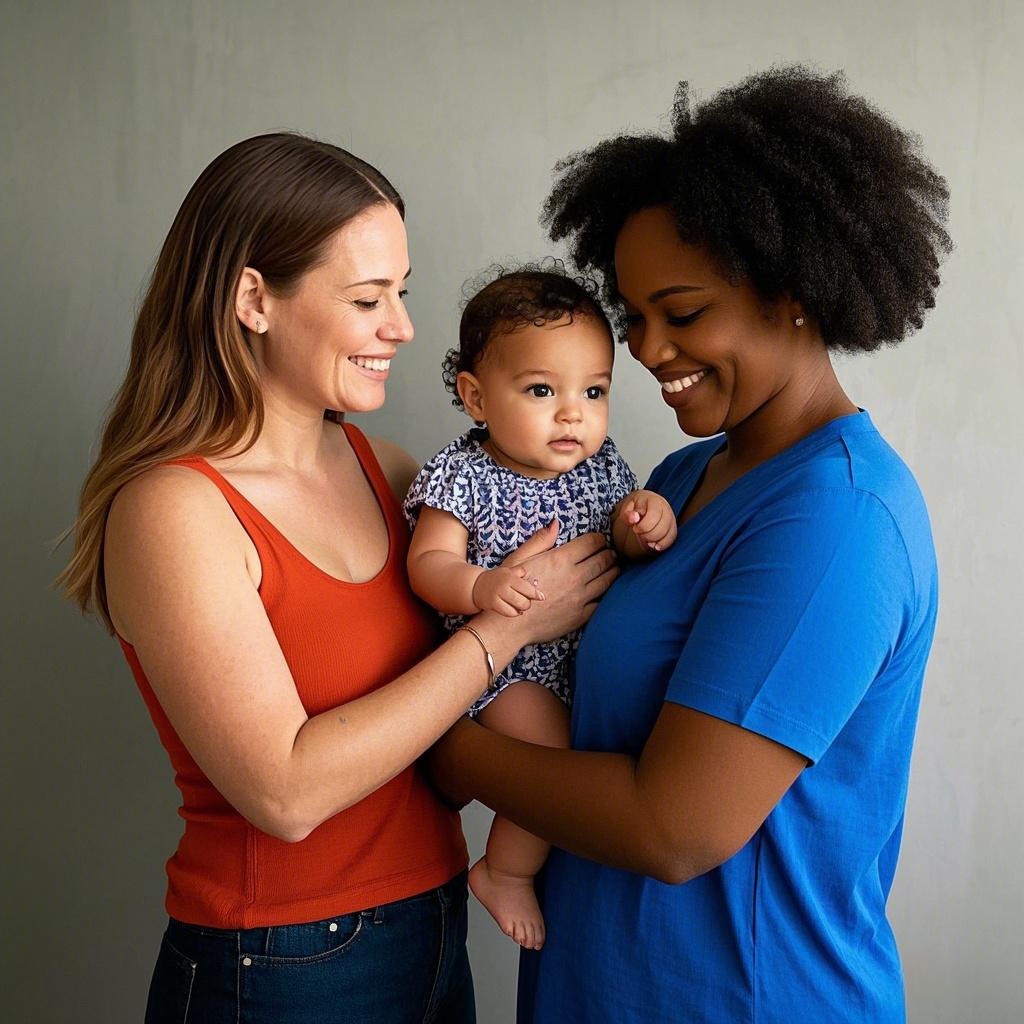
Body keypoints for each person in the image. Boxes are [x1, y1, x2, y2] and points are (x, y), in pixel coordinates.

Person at [426, 67, 950, 1023]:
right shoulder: (677, 483)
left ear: (793, 290)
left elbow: (676, 829)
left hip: (746, 998)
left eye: (683, 311)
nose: (647, 349)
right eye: (633, 317)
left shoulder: (837, 522)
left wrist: (449, 752)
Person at [57, 133, 617, 1024]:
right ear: (254, 299)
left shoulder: (391, 473)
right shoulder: (174, 510)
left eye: (401, 292)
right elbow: (286, 793)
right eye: (367, 298)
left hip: (432, 928)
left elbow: (434, 747)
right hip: (281, 959)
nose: (402, 327)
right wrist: (505, 629)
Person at [404, 265, 676, 951]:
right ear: (476, 397)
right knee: (555, 764)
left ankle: (516, 866)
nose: (572, 413)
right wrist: (480, 590)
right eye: (540, 390)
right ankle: (505, 870)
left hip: (576, 666)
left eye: (594, 391)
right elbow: (426, 564)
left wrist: (644, 520)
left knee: (591, 755)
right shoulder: (461, 475)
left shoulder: (602, 467)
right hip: (506, 671)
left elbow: (619, 535)